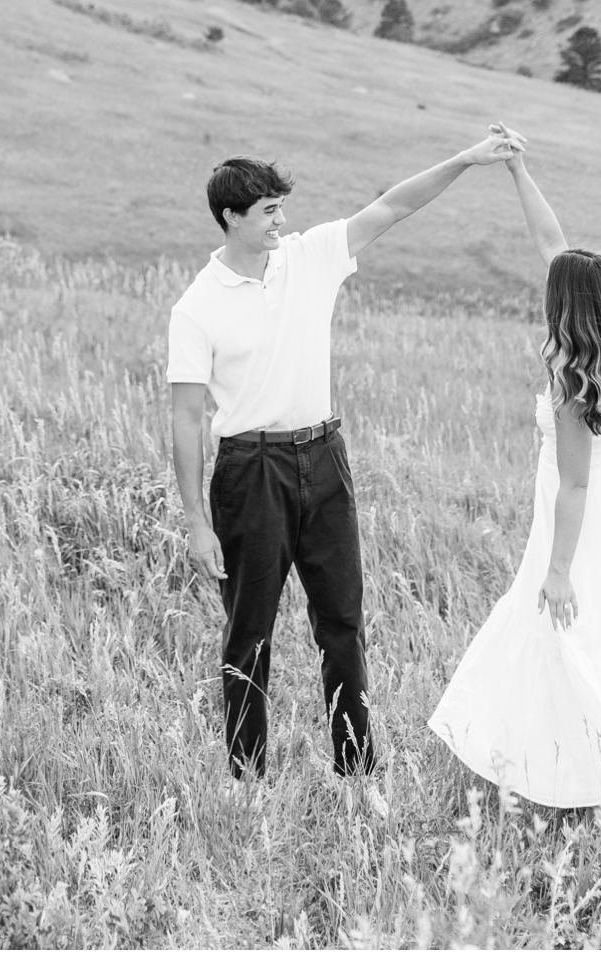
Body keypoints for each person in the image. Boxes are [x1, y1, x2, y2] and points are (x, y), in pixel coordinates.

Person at [168, 129, 524, 783]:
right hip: (250, 473)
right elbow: (187, 418)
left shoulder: (310, 257)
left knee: (343, 622)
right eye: (269, 209)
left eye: (282, 206)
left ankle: (356, 772)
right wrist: (196, 518)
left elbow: (391, 206)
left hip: (324, 458)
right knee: (249, 633)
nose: (283, 219)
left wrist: (466, 159)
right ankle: (247, 779)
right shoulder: (197, 308)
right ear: (231, 218)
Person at [428, 135, 601, 809]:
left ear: (564, 302)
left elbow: (574, 482)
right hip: (587, 517)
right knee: (557, 637)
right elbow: (551, 238)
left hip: (578, 521)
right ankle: (546, 768)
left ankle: (590, 777)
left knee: (560, 632)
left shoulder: (570, 375)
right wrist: (517, 168)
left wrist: (558, 567)